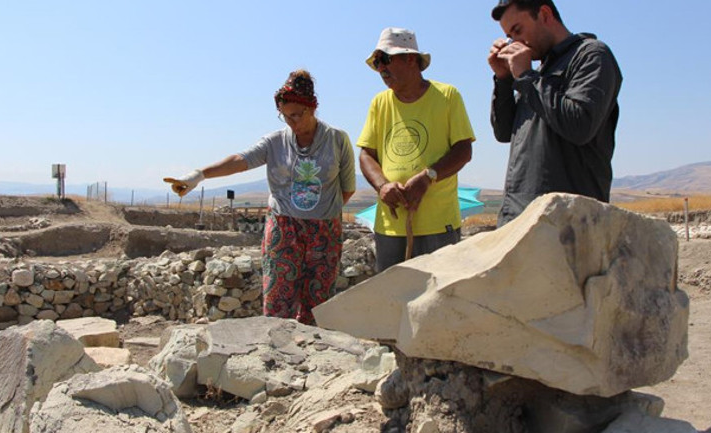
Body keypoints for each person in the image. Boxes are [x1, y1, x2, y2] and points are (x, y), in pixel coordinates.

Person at [164, 70, 356, 325]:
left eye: (297, 114)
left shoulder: (336, 139)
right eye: (285, 116)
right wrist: (199, 175)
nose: (292, 122)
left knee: (319, 303)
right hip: (284, 227)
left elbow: (348, 188)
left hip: (325, 231)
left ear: (313, 107)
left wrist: (320, 212)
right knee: (278, 300)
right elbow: (240, 160)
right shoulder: (275, 142)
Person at [488, 0, 622, 226]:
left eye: (518, 30)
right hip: (519, 219)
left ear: (545, 14)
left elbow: (579, 126)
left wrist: (526, 78)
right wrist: (503, 79)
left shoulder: (591, 55)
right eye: (510, 36)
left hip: (568, 224)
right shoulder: (537, 72)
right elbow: (504, 133)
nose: (515, 42)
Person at [358, 27, 475, 272]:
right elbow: (367, 154)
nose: (381, 69)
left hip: (438, 225)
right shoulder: (380, 103)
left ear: (411, 58)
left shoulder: (447, 96)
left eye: (385, 60)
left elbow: (463, 150)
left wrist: (427, 177)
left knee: (439, 301)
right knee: (391, 302)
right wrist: (382, 186)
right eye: (377, 62)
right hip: (390, 226)